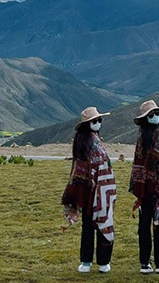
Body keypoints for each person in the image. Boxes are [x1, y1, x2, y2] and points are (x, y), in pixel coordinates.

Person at [61, 107, 117, 273]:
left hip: (100, 189)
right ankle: (91, 261)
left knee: (95, 224)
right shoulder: (85, 142)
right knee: (92, 225)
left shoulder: (92, 140)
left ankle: (97, 261)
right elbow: (80, 167)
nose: (98, 123)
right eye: (94, 121)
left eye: (99, 120)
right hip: (90, 189)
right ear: (87, 124)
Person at [129, 100, 159, 274]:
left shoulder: (157, 137)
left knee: (155, 225)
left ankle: (156, 262)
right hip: (152, 190)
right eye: (152, 115)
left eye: (157, 114)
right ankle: (149, 262)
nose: (156, 117)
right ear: (145, 118)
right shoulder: (145, 140)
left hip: (153, 190)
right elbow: (140, 164)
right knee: (151, 225)